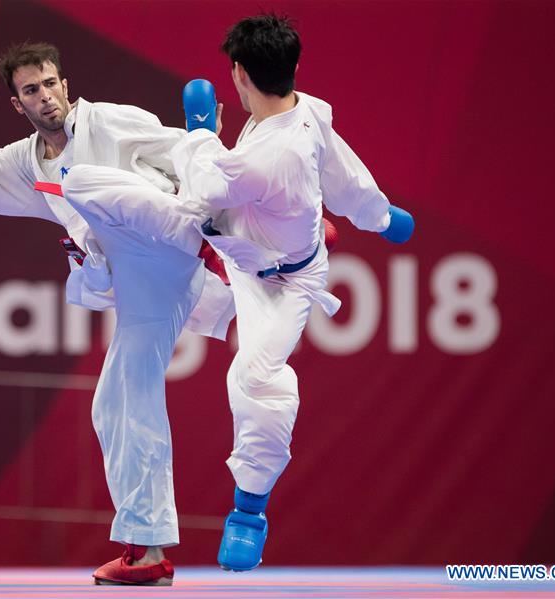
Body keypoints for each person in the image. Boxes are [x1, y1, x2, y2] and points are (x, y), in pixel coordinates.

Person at [0, 42, 234, 586]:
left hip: (175, 247)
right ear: (17, 105)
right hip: (139, 288)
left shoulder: (109, 122)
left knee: (87, 182)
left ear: (66, 84)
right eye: (31, 91)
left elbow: (188, 159)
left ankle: (246, 248)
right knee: (116, 403)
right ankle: (146, 549)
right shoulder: (23, 161)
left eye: (50, 84)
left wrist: (207, 147)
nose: (45, 97)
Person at [170, 14, 414, 571]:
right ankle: (299, 230)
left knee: (253, 376)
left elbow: (209, 184)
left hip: (280, 284)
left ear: (238, 75)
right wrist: (381, 216)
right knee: (158, 280)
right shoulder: (304, 108)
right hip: (247, 245)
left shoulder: (267, 155)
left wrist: (201, 127)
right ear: (293, 68)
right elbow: (343, 171)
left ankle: (249, 511)